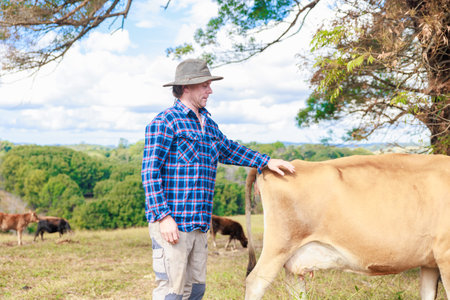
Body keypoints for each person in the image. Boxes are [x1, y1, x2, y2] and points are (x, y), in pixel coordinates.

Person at [141, 58, 295, 300]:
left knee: (196, 290)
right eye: (204, 85)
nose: (210, 90)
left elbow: (229, 149)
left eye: (209, 85)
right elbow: (150, 173)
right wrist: (163, 217)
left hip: (200, 224)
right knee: (172, 292)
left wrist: (265, 161)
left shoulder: (208, 124)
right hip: (173, 225)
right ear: (186, 88)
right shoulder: (164, 122)